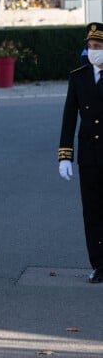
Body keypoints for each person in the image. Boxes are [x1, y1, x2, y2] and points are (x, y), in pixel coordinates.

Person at [58, 22, 103, 284]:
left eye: (98, 47)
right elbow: (68, 118)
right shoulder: (78, 76)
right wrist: (65, 155)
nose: (93, 50)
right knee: (92, 211)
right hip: (89, 154)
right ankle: (98, 263)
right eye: (90, 46)